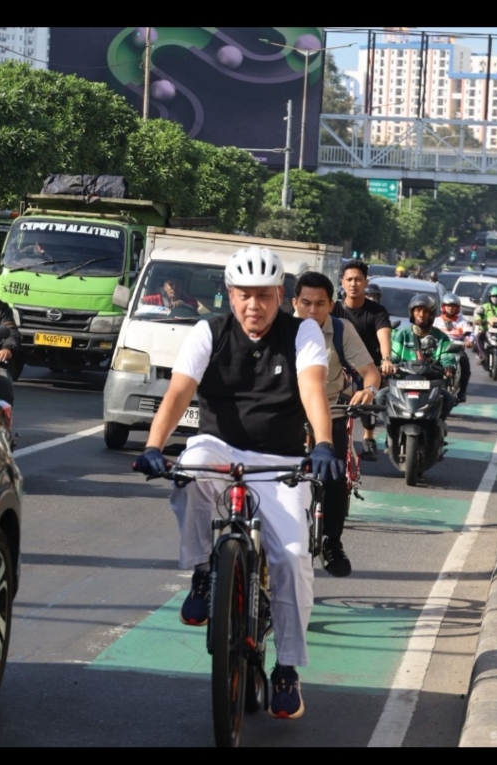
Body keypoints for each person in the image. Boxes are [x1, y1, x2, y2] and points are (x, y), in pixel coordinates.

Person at [133, 246, 341, 720]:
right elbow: (180, 389)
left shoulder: (302, 332)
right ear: (230, 294)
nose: (254, 305)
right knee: (188, 473)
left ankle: (287, 668)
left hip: (281, 457)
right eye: (245, 295)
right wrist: (152, 445)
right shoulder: (208, 331)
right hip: (219, 447)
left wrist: (324, 442)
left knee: (292, 559)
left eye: (265, 296)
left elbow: (311, 387)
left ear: (280, 296)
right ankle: (205, 572)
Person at [292, 271, 380, 578]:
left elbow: (371, 371)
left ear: (331, 305)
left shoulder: (342, 330)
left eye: (320, 304)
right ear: (294, 302)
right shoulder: (279, 329)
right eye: (306, 303)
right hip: (288, 416)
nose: (312, 311)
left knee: (334, 476)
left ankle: (332, 541)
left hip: (333, 412)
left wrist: (368, 389)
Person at [332, 260, 395, 461]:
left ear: (366, 283)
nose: (353, 284)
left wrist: (386, 359)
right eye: (349, 279)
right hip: (337, 368)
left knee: (370, 394)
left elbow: (384, 335)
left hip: (366, 368)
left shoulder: (377, 311)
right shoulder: (333, 310)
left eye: (358, 279)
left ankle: (368, 437)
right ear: (342, 282)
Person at [389, 293, 458, 419]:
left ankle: (439, 427)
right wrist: (389, 365)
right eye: (417, 310)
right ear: (412, 312)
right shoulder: (401, 334)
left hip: (430, 385)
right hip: (403, 383)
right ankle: (390, 429)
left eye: (425, 311)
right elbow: (393, 356)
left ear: (431, 314)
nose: (421, 314)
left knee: (448, 399)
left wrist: (448, 366)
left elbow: (447, 357)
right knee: (381, 396)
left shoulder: (442, 338)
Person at [433, 292, 473, 403]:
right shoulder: (436, 321)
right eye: (448, 306)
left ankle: (462, 392)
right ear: (443, 307)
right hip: (440, 349)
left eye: (453, 306)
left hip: (457, 348)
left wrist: (469, 341)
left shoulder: (462, 321)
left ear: (457, 308)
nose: (450, 308)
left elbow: (470, 333)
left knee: (464, 361)